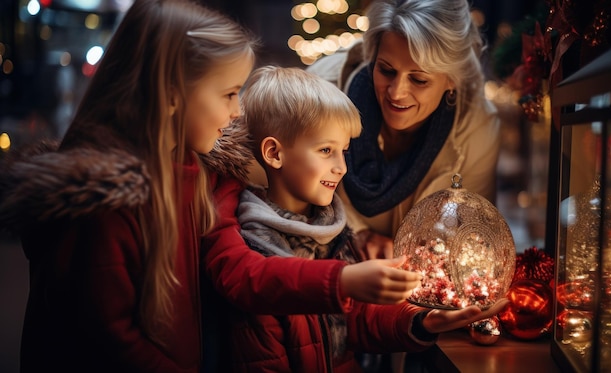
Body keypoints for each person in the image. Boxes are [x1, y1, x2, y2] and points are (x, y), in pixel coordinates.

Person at [0, 0, 427, 371]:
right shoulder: (100, 207)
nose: (238, 111)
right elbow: (111, 342)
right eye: (228, 94)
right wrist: (342, 282)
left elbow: (243, 271)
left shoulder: (209, 177)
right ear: (171, 94)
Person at [221, 65, 508, 372]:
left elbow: (355, 322)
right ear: (274, 154)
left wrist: (422, 321)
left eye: (343, 151)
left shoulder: (330, 232)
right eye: (326, 150)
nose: (341, 167)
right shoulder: (255, 250)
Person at [305, 0, 501, 261]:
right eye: (386, 70)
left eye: (419, 79)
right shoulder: (319, 90)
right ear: (372, 56)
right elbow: (275, 189)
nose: (397, 92)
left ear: (452, 79)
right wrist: (354, 232)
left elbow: (472, 238)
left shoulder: (478, 128)